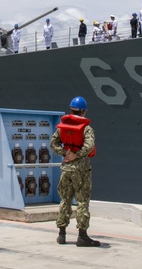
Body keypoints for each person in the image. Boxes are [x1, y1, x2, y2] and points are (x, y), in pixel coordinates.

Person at [50, 96, 100, 247]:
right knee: (82, 201)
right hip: (81, 170)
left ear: (71, 109)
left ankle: (61, 234)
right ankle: (82, 236)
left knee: (65, 200)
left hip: (66, 169)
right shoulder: (86, 128)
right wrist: (76, 155)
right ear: (83, 111)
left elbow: (53, 144)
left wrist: (65, 153)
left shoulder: (62, 127)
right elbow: (89, 145)